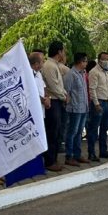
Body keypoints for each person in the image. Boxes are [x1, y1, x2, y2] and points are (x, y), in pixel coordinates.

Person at [41, 41, 68, 171]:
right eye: (64, 50)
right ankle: (50, 161)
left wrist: (64, 94)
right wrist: (64, 96)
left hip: (58, 99)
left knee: (57, 132)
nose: (65, 53)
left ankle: (54, 159)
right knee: (52, 132)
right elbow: (53, 86)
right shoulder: (49, 66)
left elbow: (59, 85)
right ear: (59, 51)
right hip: (53, 101)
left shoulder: (55, 65)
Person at [62, 52, 89, 167]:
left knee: (79, 132)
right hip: (74, 108)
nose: (86, 63)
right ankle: (69, 156)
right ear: (80, 61)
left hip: (83, 107)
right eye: (85, 61)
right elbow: (66, 91)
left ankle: (77, 155)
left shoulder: (83, 74)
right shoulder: (71, 74)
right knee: (72, 132)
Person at [87, 52, 108, 161]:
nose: (107, 61)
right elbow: (92, 89)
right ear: (99, 60)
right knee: (94, 128)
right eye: (105, 59)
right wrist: (96, 103)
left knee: (105, 127)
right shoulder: (94, 72)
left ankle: (103, 151)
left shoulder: (106, 72)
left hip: (107, 102)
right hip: (99, 103)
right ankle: (91, 152)